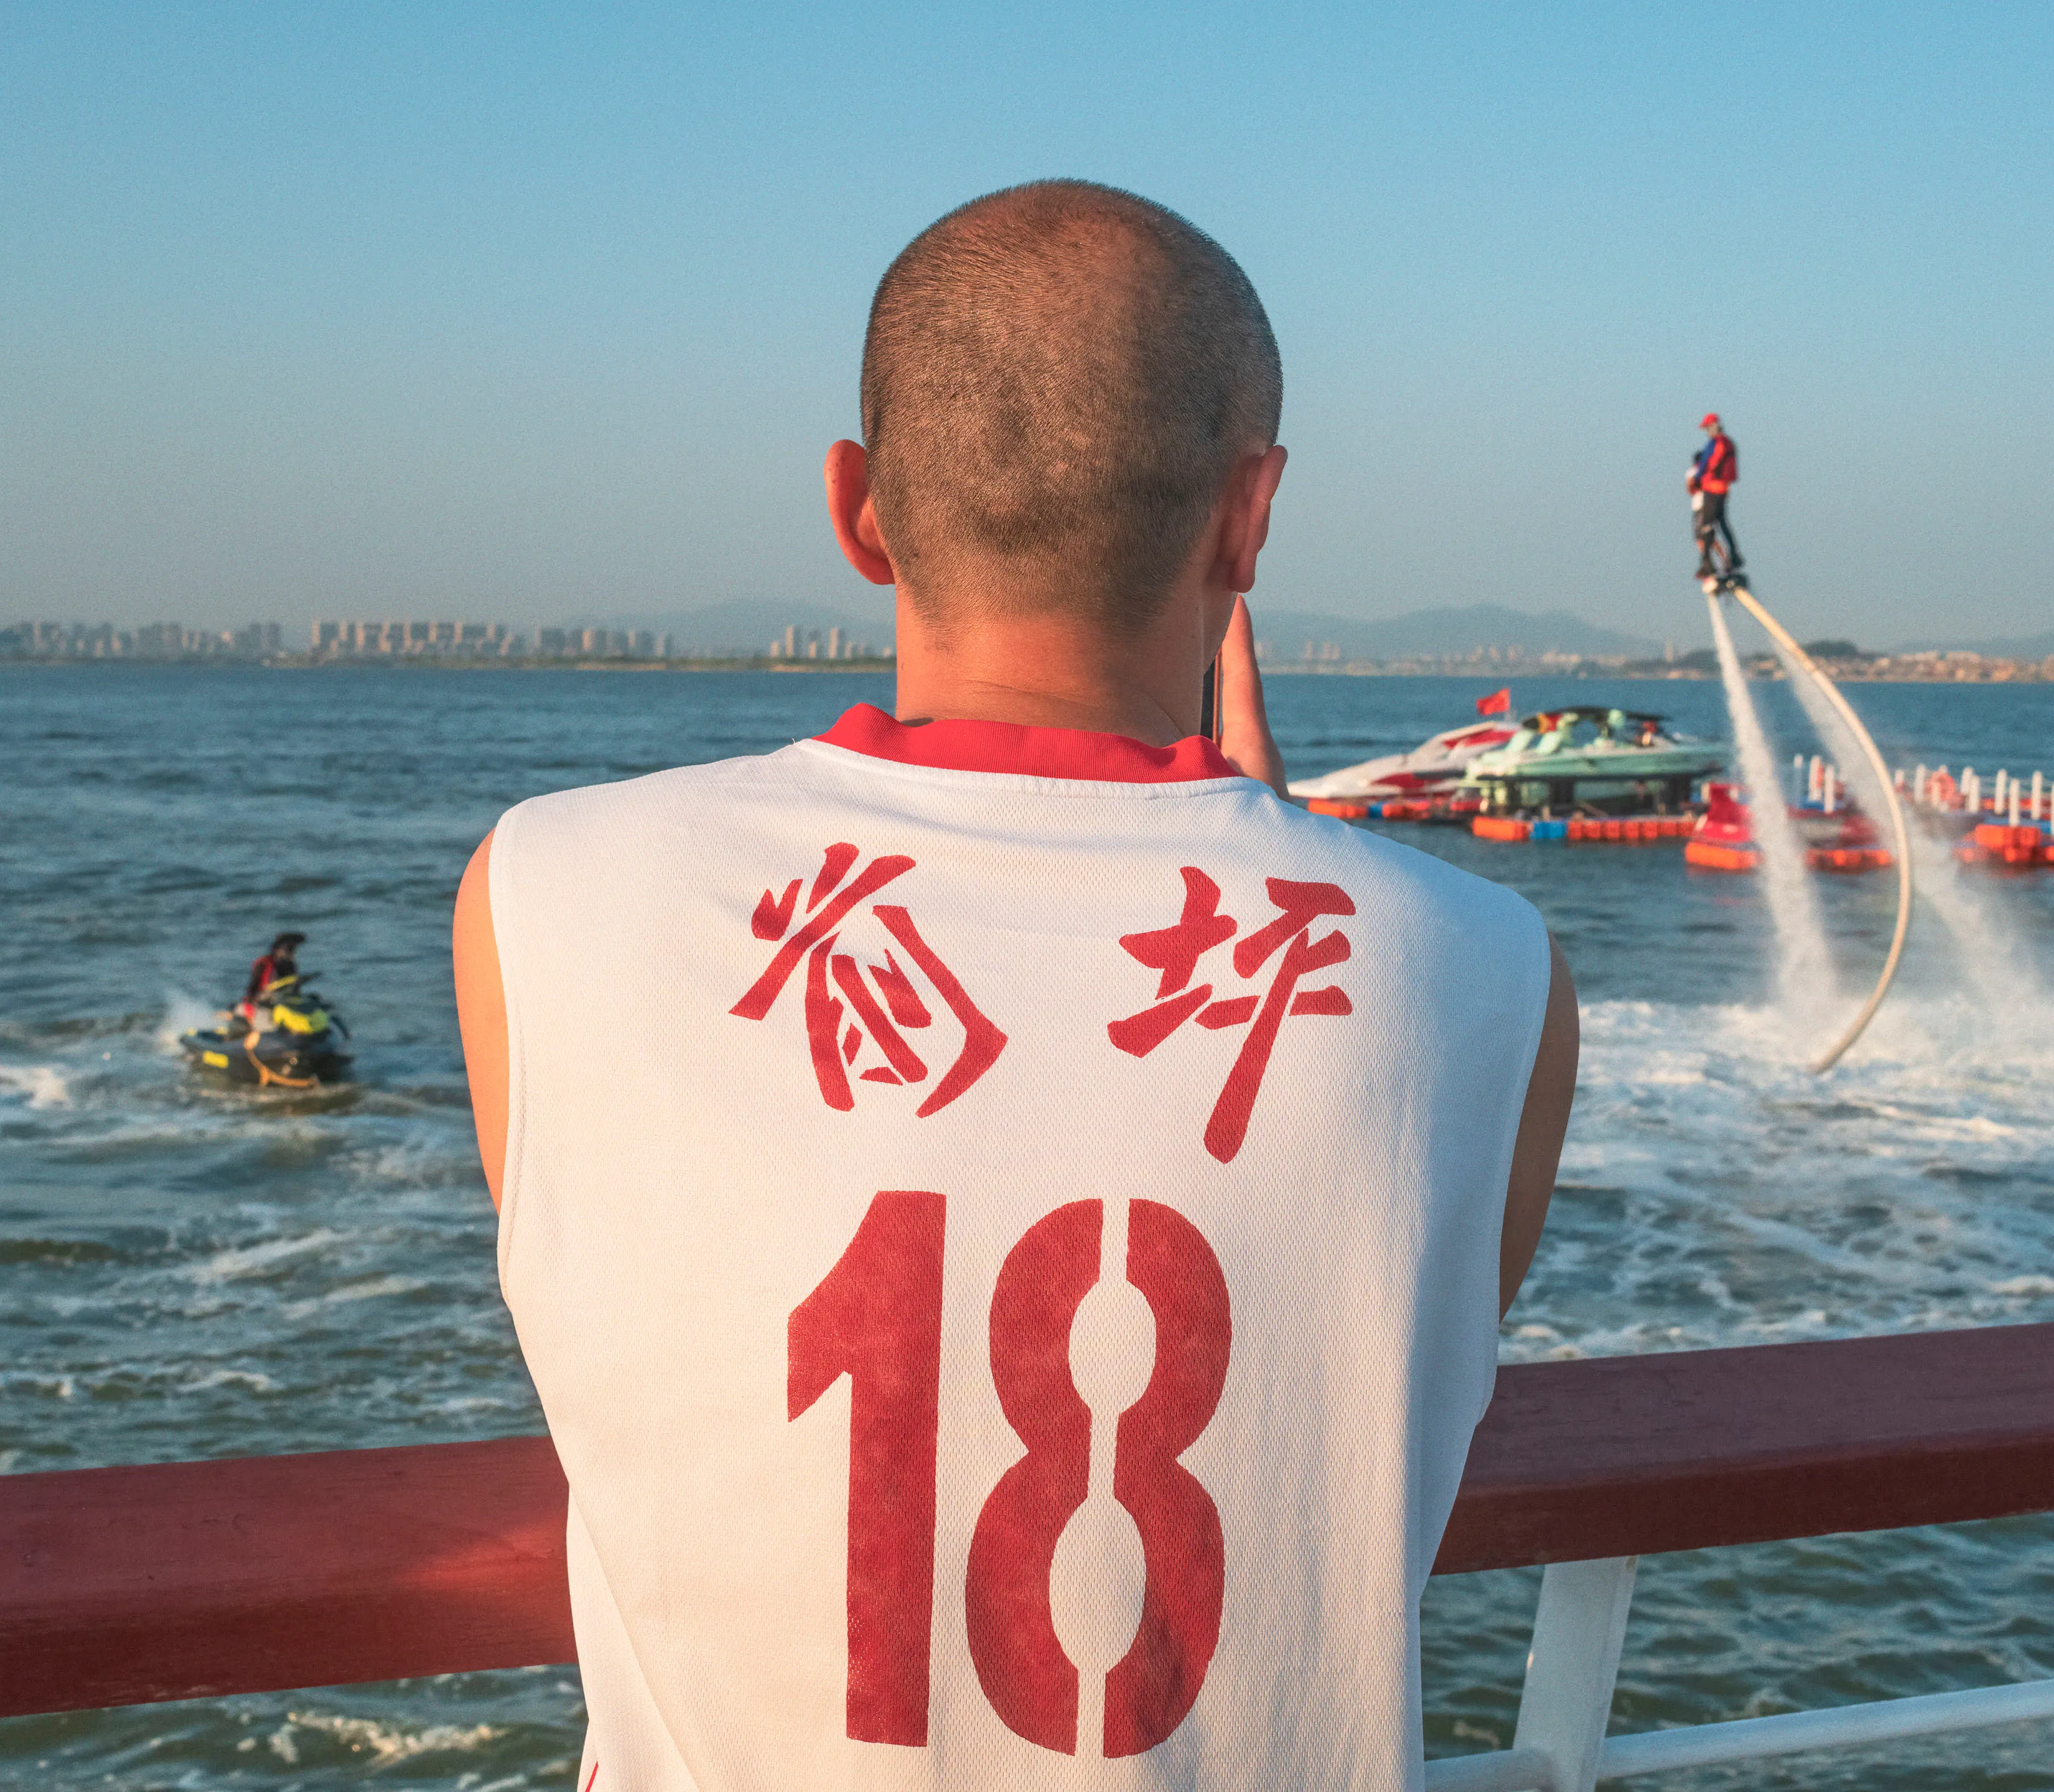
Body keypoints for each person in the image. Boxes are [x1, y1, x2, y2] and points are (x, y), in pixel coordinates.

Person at [452, 180, 1576, 1792]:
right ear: (1250, 518)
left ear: (857, 512)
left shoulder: (550, 890)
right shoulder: (1480, 970)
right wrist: (1289, 853)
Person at [1688, 412, 1741, 584]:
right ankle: (1733, 557)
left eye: (1706, 428)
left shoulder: (1717, 443)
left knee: (1706, 527)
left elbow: (1711, 463)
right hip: (1723, 489)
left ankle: (1708, 564)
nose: (1706, 432)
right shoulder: (1727, 442)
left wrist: (1698, 479)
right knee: (1722, 524)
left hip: (1713, 489)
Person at [239, 931, 303, 1025]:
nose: (291, 953)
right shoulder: (263, 963)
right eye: (288, 950)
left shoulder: (290, 965)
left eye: (293, 950)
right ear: (277, 950)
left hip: (284, 1001)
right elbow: (253, 987)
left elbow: (294, 987)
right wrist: (253, 1001)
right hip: (263, 1001)